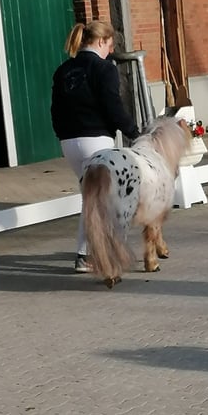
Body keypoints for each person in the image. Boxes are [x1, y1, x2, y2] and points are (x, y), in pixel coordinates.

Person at [50, 21, 140, 273]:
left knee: (90, 197)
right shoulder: (104, 69)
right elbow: (113, 107)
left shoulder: (63, 70)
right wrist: (133, 131)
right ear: (101, 42)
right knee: (103, 200)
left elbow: (55, 110)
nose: (110, 52)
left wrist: (62, 135)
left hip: (69, 142)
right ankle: (96, 252)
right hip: (97, 141)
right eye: (109, 46)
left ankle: (85, 253)